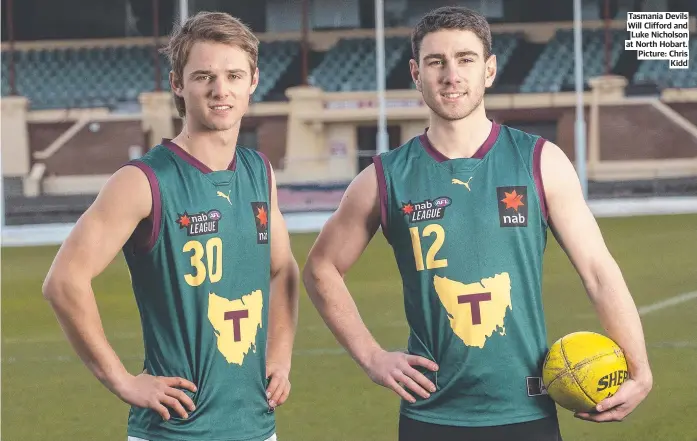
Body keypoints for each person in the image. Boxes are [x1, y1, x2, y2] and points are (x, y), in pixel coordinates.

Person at [303, 6, 652, 441]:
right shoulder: (383, 177)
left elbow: (599, 273)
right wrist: (372, 356)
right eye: (436, 62)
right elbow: (321, 267)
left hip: (526, 409)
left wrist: (639, 368)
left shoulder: (540, 162)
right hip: (431, 415)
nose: (451, 75)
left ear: (488, 70)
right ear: (416, 73)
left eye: (465, 59)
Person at [42, 11, 299, 441]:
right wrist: (122, 380)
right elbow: (64, 281)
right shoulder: (143, 180)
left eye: (234, 75)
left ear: (253, 81)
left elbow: (283, 267)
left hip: (257, 426)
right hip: (174, 432)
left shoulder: (259, 172)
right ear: (178, 84)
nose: (221, 90)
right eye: (204, 76)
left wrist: (281, 354)